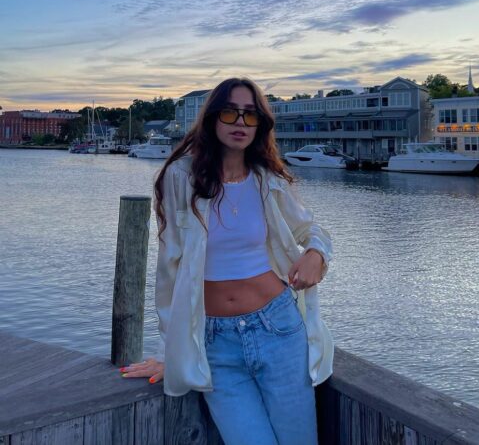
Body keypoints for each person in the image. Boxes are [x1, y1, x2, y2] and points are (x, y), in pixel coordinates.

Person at [120, 77, 333, 445]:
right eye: (230, 112)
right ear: (213, 118)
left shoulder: (269, 181)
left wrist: (316, 255)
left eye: (250, 115)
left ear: (260, 124)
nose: (240, 123)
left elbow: (313, 231)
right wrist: (171, 351)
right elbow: (170, 273)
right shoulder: (180, 177)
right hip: (215, 342)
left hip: (279, 331)